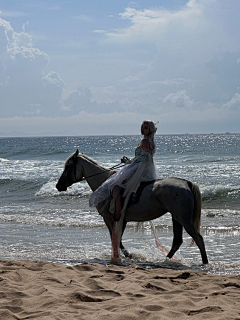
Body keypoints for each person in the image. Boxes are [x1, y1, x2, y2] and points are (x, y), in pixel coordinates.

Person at [89, 120, 158, 220]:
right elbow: (142, 158)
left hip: (141, 170)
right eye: (142, 127)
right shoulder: (150, 141)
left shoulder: (145, 141)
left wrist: (128, 163)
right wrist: (127, 161)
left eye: (145, 128)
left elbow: (143, 159)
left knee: (115, 185)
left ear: (150, 130)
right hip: (146, 168)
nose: (142, 129)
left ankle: (118, 213)